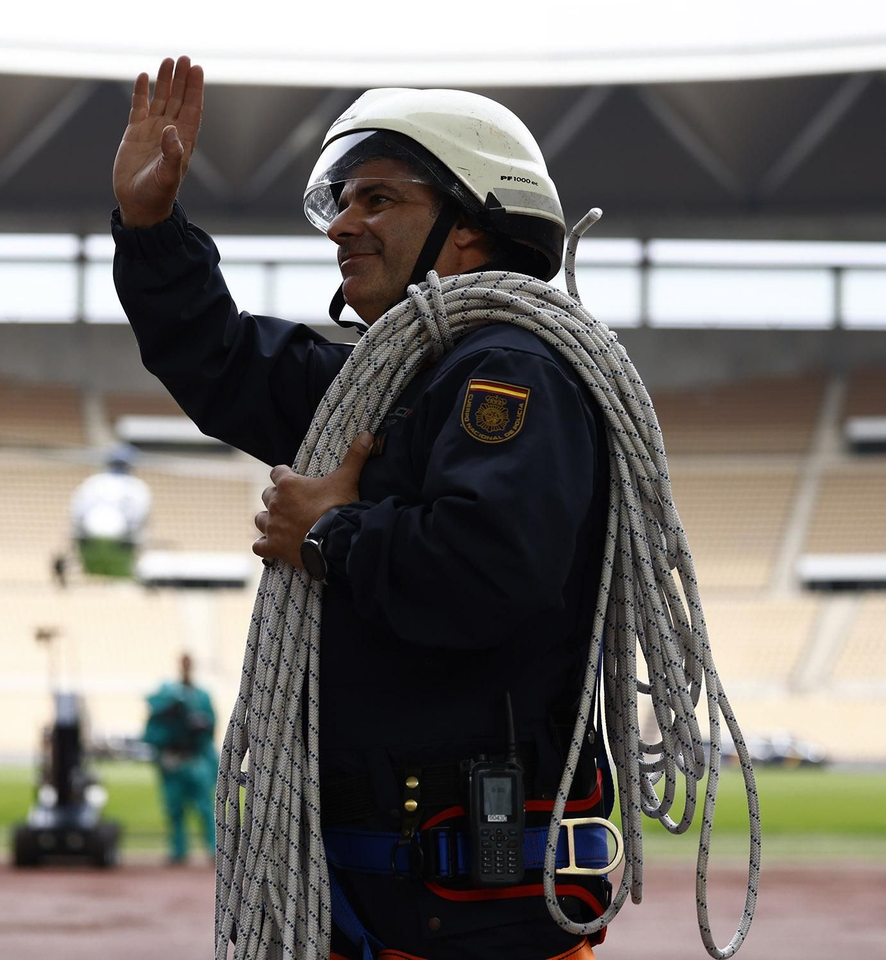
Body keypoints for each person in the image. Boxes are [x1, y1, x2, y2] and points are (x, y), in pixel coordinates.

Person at [111, 57, 612, 959]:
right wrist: (152, 229)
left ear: (473, 228)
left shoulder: (511, 371)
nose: (343, 224)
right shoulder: (389, 386)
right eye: (341, 201)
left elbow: (489, 570)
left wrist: (328, 533)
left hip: (470, 923)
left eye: (378, 199)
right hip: (374, 906)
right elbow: (226, 362)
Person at [141, 652, 217, 865]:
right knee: (174, 809)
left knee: (205, 808)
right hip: (173, 761)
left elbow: (210, 728)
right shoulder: (166, 696)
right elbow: (152, 732)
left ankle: (214, 849)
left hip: (194, 759)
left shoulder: (201, 696)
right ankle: (179, 850)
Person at [68, 443, 152, 579]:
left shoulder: (92, 482)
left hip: (90, 530)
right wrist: (136, 540)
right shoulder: (138, 487)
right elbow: (140, 517)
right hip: (122, 534)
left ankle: (86, 565)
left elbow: (77, 512)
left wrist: (76, 535)